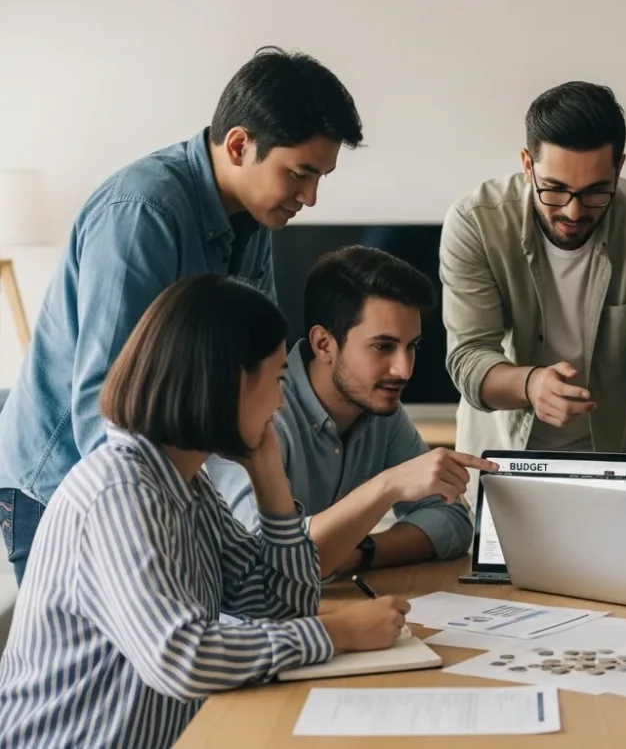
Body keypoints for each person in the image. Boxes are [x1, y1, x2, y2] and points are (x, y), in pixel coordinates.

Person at [0, 46, 363, 585]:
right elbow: (102, 405)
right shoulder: (142, 213)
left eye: (321, 178)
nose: (309, 197)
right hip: (65, 484)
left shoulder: (253, 220)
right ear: (239, 145)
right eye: (300, 174)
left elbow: (245, 370)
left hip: (163, 483)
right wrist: (167, 515)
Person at [0, 276, 410, 749]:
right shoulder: (120, 491)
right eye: (277, 379)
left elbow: (280, 606)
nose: (280, 402)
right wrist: (335, 632)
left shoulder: (185, 482)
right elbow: (180, 658)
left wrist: (269, 476)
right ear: (227, 381)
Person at [439, 81, 626, 553]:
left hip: (613, 473)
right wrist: (531, 385)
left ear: (620, 167)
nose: (574, 211)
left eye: (597, 191)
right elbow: (469, 359)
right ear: (526, 164)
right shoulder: (476, 221)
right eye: (554, 190)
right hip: (503, 467)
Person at [207, 246, 497, 577]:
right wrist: (389, 485)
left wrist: (361, 552)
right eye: (383, 347)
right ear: (323, 344)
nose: (403, 370)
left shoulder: (380, 409)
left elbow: (452, 520)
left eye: (412, 347)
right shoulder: (258, 412)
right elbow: (263, 558)